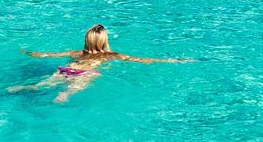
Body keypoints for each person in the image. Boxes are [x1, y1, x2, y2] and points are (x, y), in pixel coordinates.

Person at [14, 25, 187, 102]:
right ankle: (64, 95)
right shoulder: (111, 55)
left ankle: (26, 87)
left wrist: (29, 53)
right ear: (104, 41)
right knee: (73, 88)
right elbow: (143, 60)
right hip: (85, 73)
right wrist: (173, 60)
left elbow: (48, 55)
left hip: (67, 69)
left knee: (44, 84)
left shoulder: (76, 53)